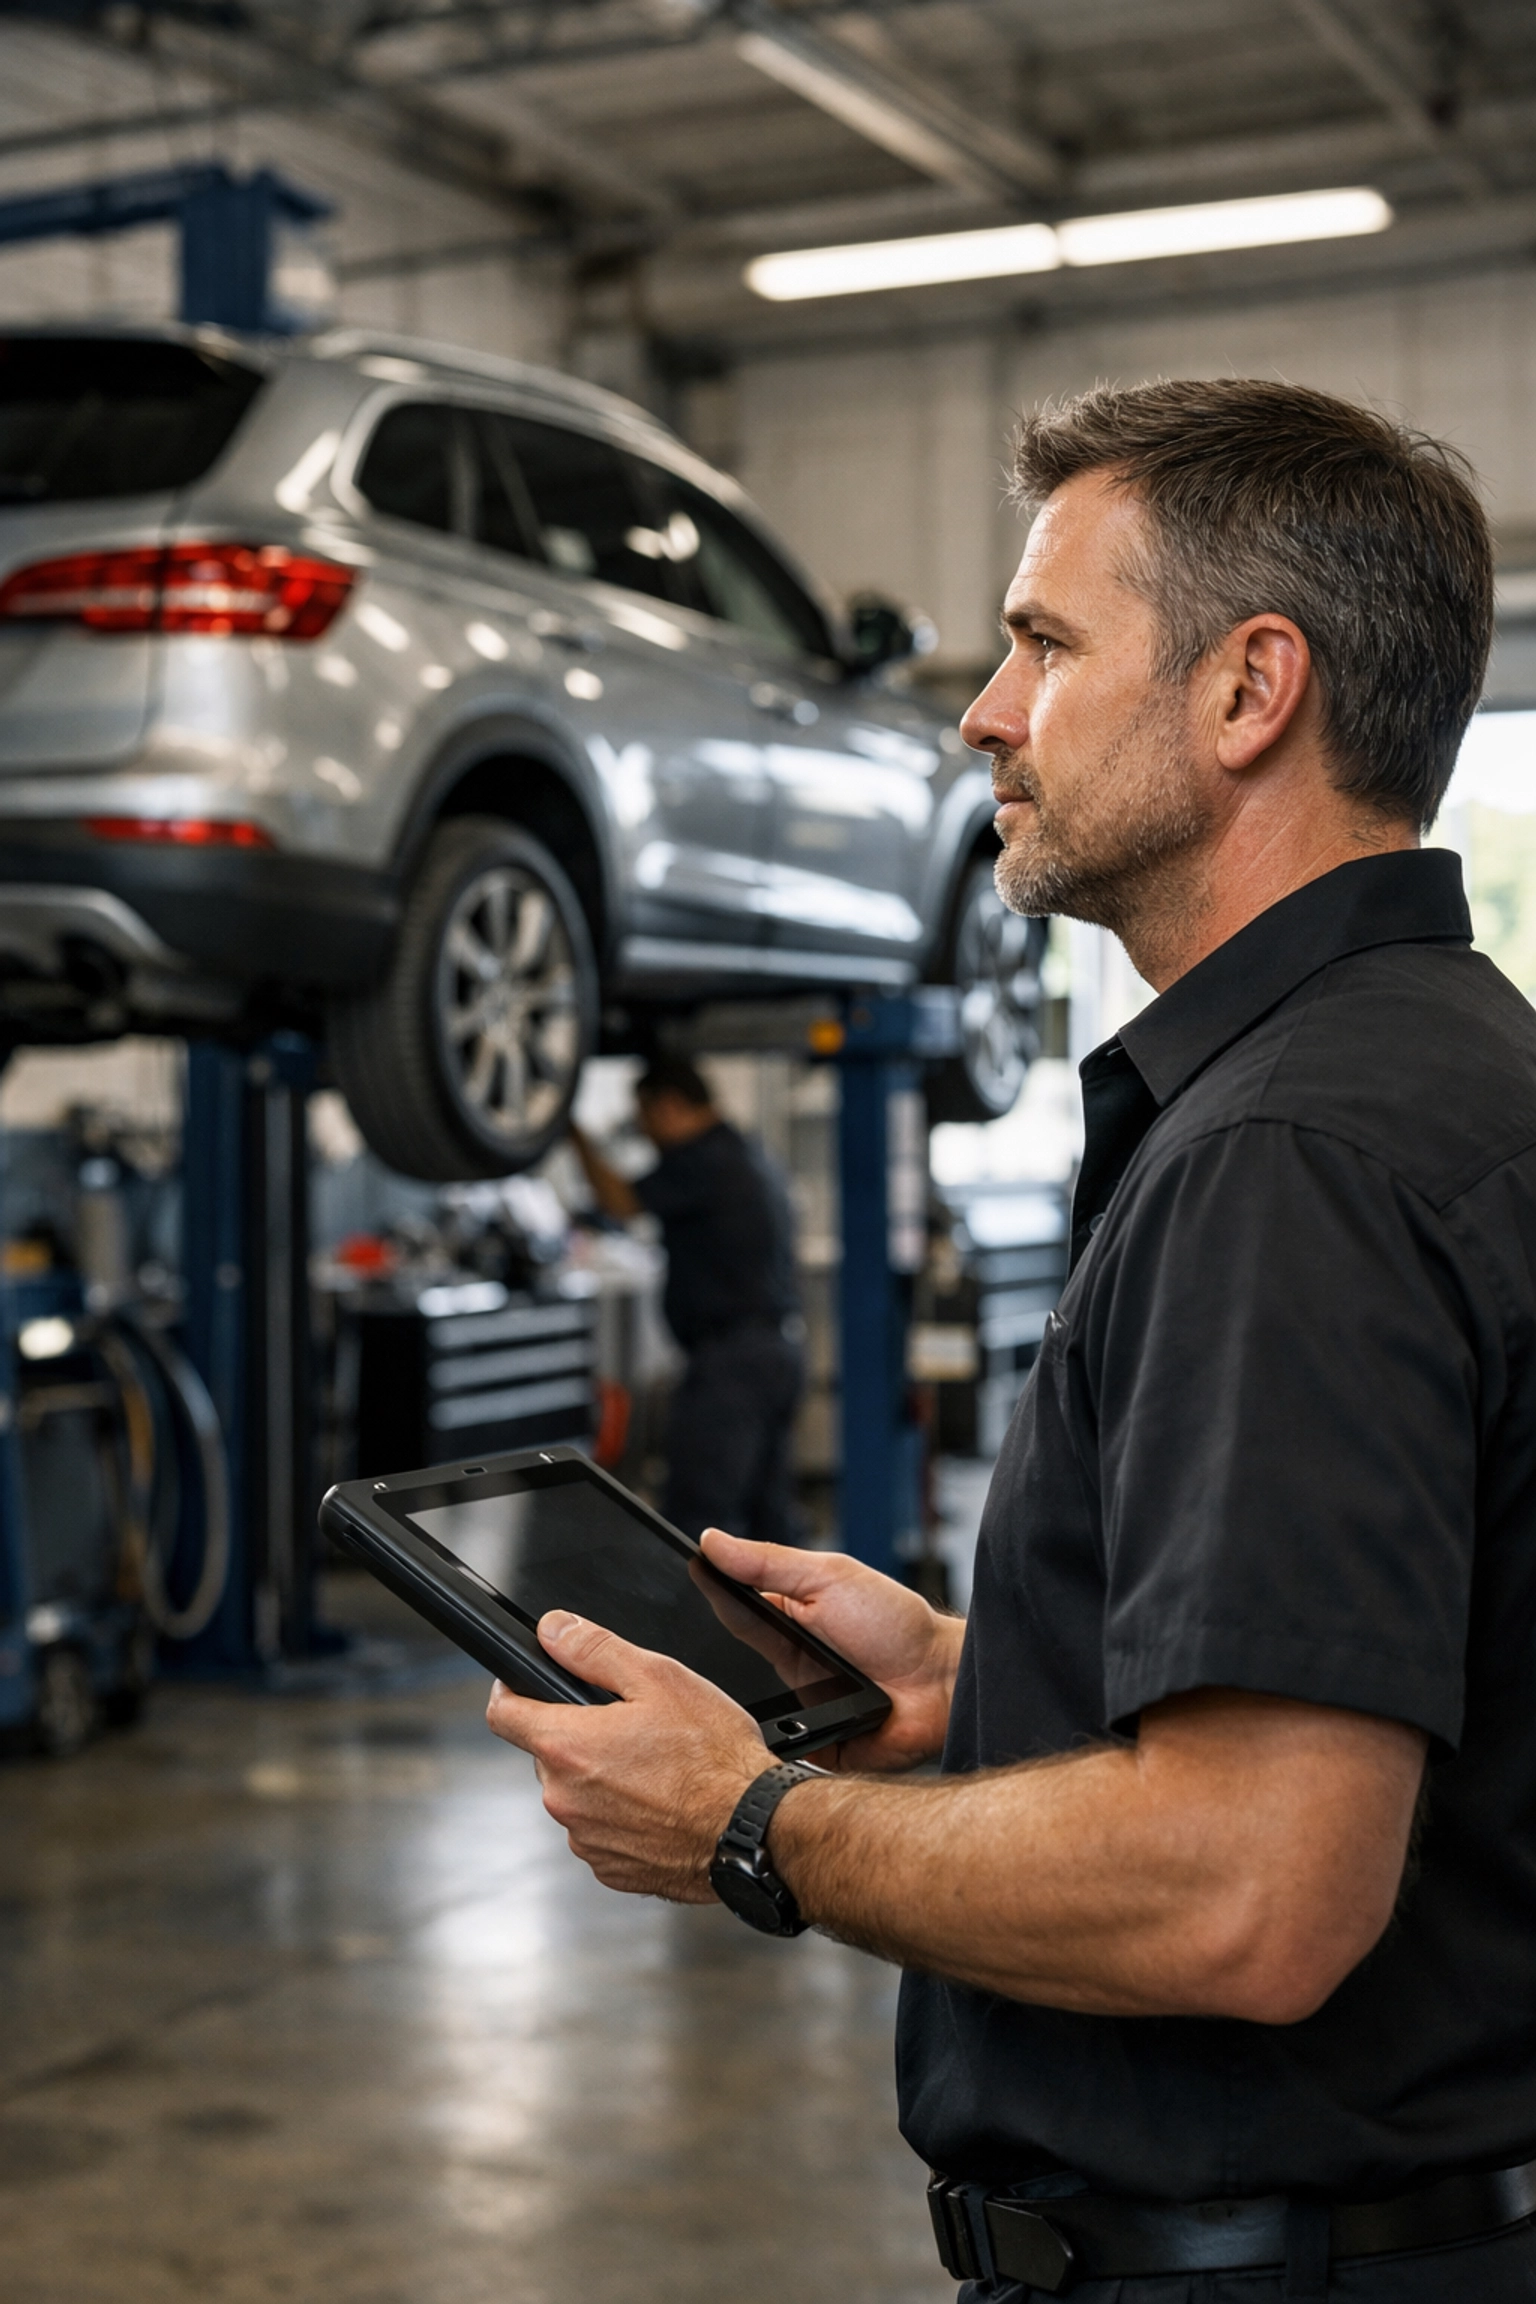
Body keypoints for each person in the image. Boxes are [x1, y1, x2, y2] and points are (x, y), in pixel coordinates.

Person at [490, 379, 1536, 2300]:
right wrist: (989, 1678)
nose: (982, 707)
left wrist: (753, 1816)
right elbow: (1416, 1673)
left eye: (1045, 642)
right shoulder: (1451, 1072)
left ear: (1249, 691)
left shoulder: (1289, 1154)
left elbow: (1252, 1887)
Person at [570, 1056, 803, 1546]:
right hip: (774, 1351)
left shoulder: (701, 1158)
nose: (646, 1134)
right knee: (767, 1519)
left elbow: (621, 1201)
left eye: (645, 1119)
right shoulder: (745, 1151)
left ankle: (694, 1623)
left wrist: (572, 1133)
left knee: (700, 1521)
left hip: (731, 1362)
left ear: (670, 1106)